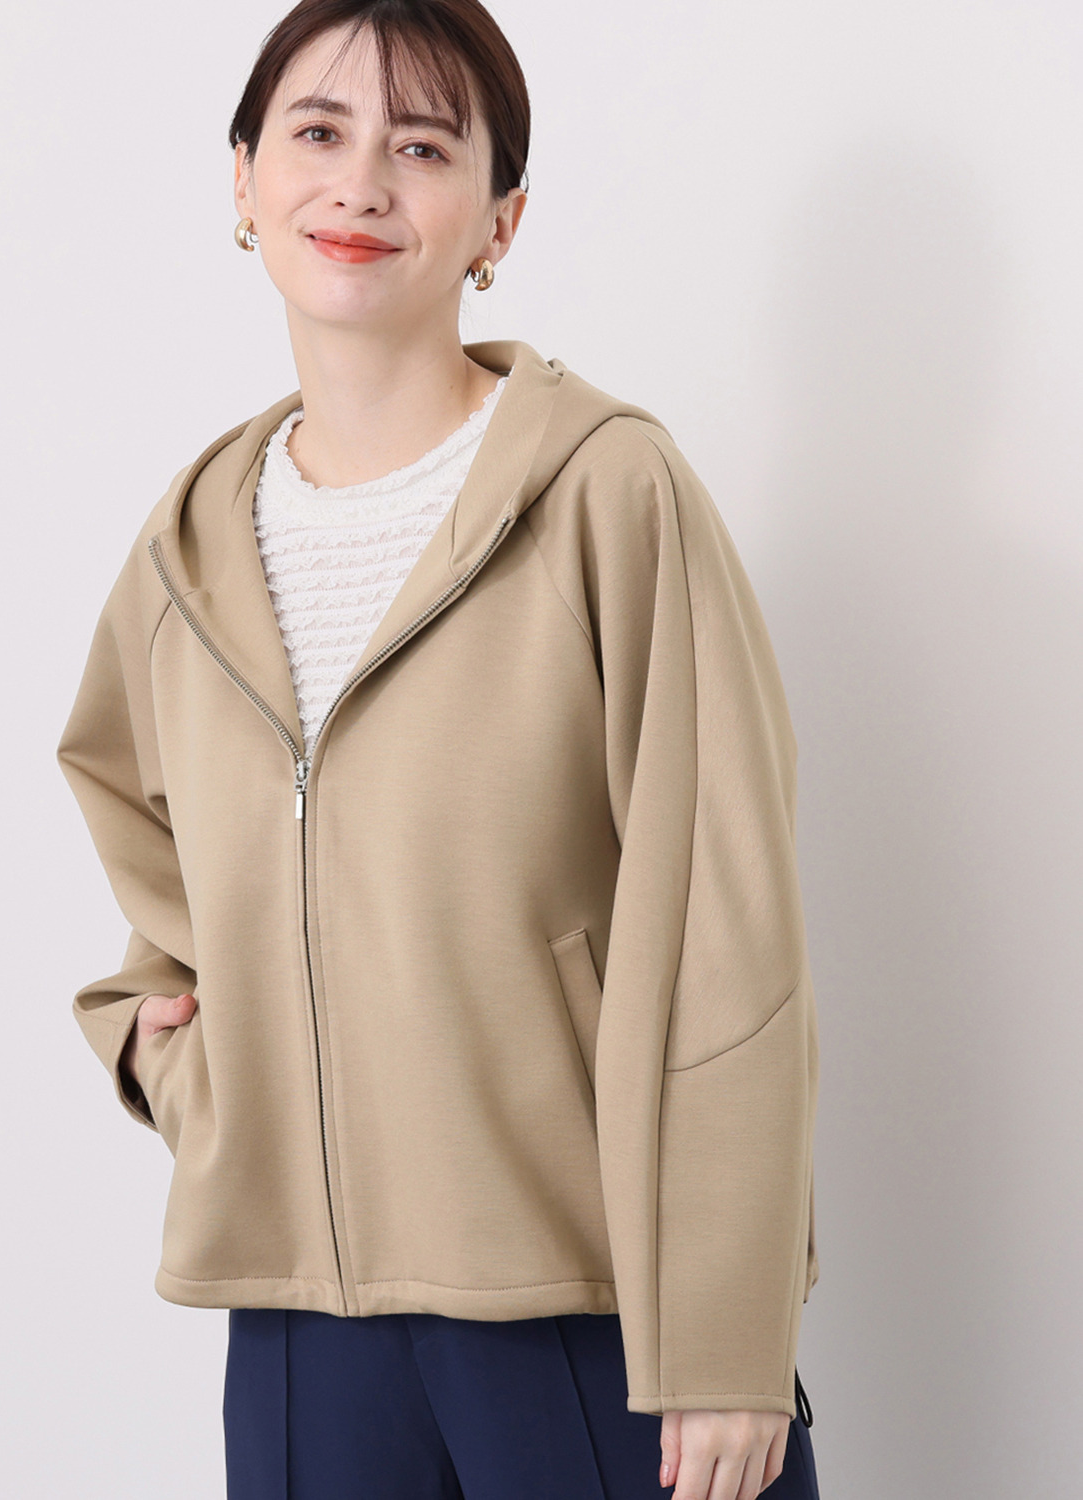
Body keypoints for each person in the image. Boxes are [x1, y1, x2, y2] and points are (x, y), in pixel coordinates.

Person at [56, 3, 822, 1497]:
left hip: (589, 1302)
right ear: (244, 181)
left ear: (498, 221)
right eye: (318, 133)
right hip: (296, 1316)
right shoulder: (190, 543)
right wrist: (164, 1045)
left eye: (420, 148)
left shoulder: (610, 493)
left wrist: (728, 1330)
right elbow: (141, 829)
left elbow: (724, 924)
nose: (359, 184)